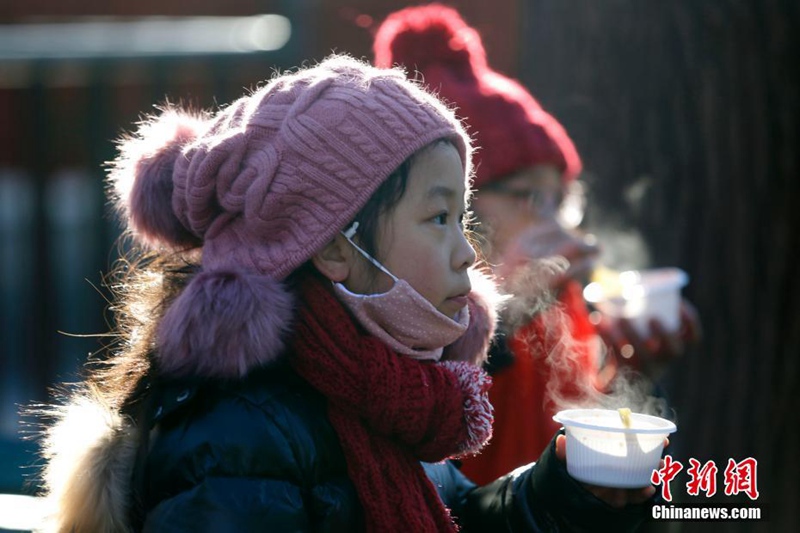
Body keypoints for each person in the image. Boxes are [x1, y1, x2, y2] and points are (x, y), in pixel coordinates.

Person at [35, 55, 657, 532]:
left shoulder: (393, 389)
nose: (468, 252)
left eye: (462, 219)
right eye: (438, 218)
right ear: (336, 246)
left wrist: (558, 491)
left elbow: (456, 516)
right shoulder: (241, 439)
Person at [374, 4, 701, 486]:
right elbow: (432, 457)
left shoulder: (558, 302)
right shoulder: (410, 307)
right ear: (455, 203)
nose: (551, 219)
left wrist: (635, 369)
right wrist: (504, 310)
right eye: (530, 196)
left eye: (560, 198)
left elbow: (574, 451)